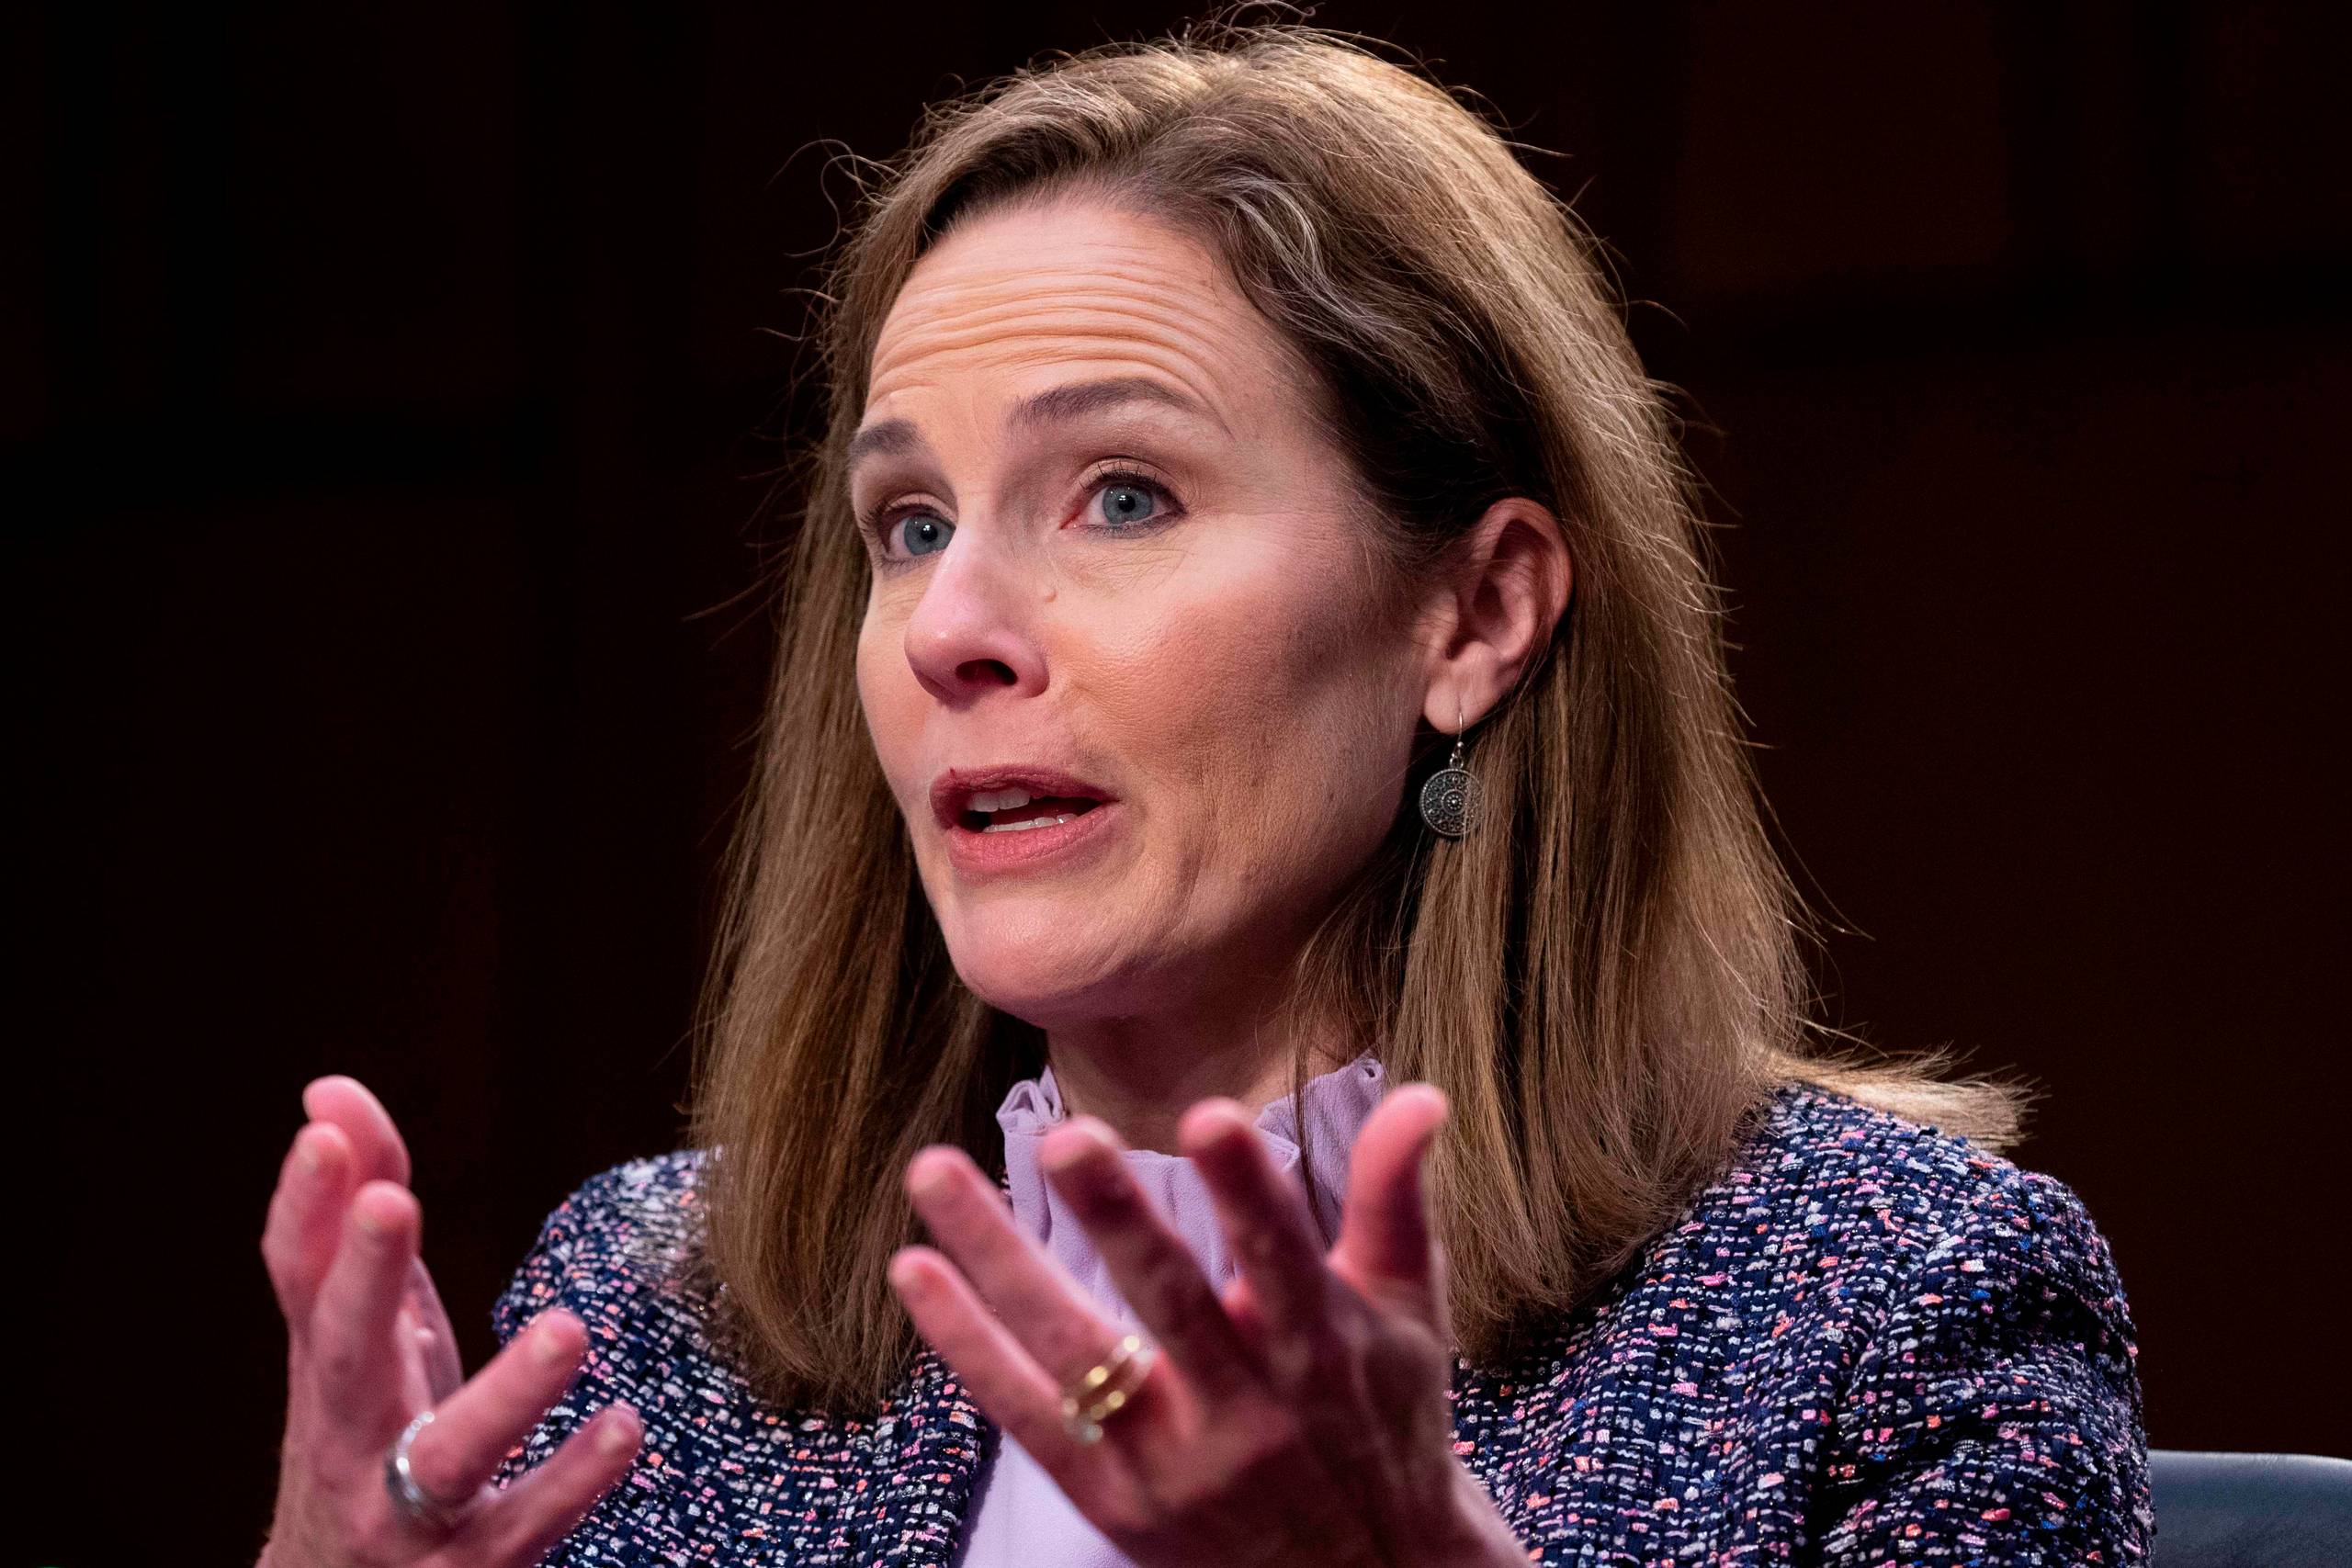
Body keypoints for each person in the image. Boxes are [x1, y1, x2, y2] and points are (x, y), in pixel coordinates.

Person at [255, 19, 2152, 1567]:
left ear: (1473, 613)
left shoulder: (1882, 1303)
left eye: (1122, 496)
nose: (953, 629)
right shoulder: (656, 1314)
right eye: (908, 524)